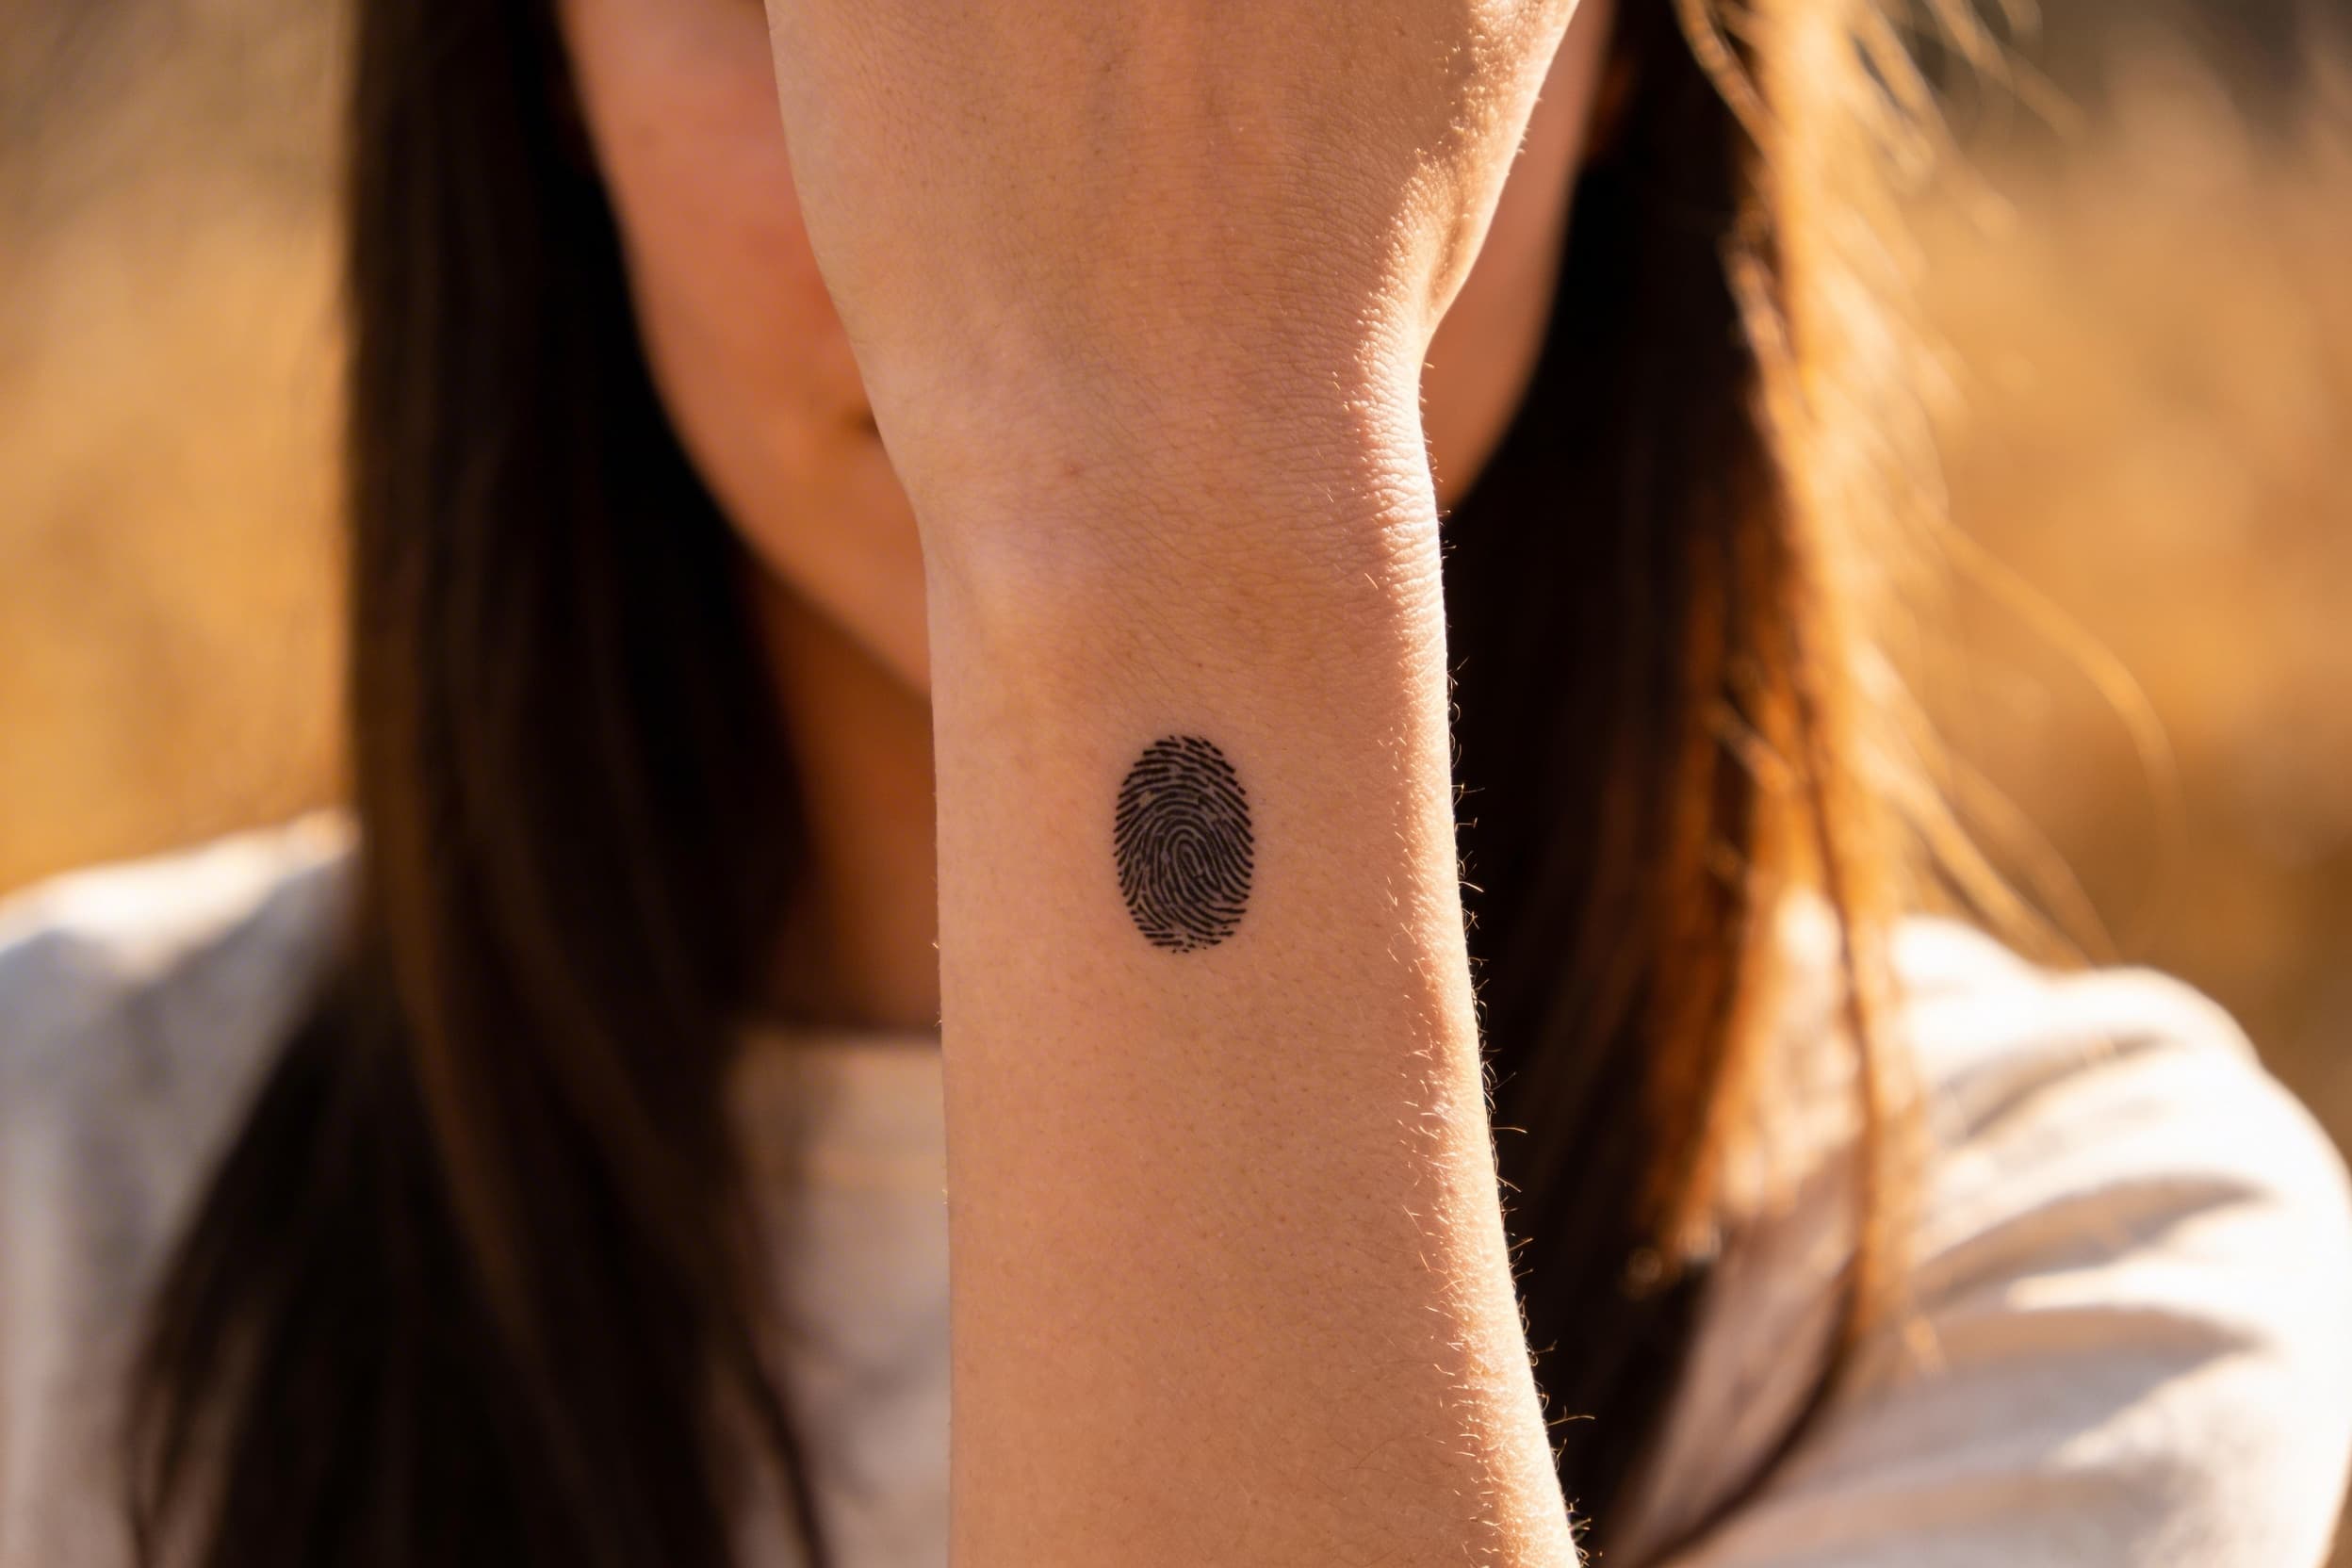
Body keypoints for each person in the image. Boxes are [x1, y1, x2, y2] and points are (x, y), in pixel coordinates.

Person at [2, 0, 2347, 1563]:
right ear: (532, 65)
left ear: (1620, 51)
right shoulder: (57, 1201)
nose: (1054, 172)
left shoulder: (2044, 1274)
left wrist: (1167, 477)